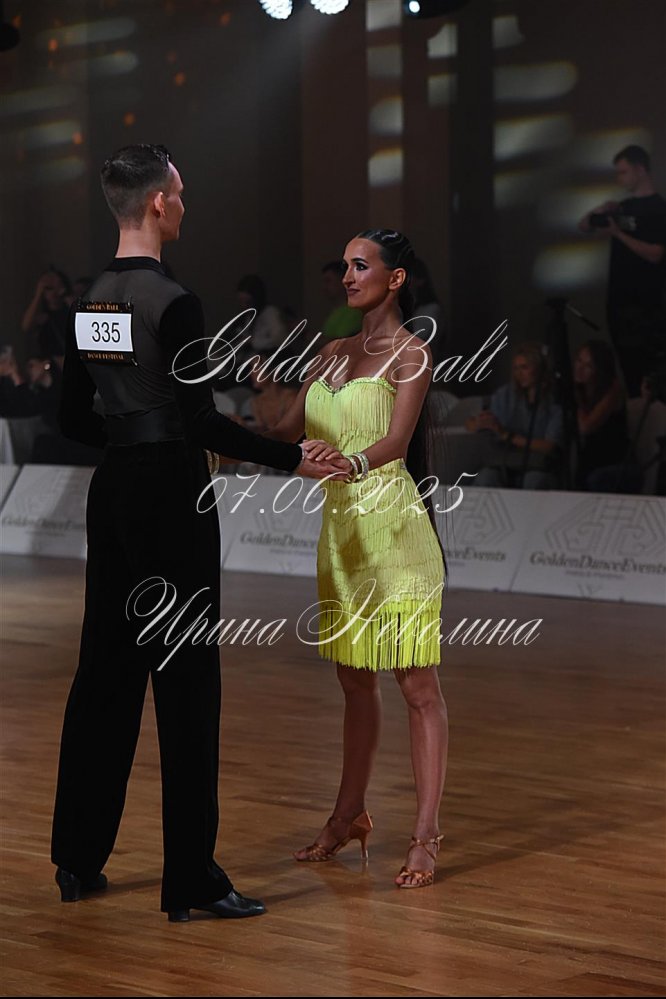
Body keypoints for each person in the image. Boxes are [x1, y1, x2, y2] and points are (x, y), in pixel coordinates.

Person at [50, 143, 346, 922]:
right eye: (179, 192)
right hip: (170, 492)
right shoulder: (174, 301)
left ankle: (77, 855)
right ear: (157, 203)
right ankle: (191, 880)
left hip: (114, 488)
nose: (184, 203)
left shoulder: (92, 299)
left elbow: (71, 416)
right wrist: (293, 457)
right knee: (186, 682)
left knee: (105, 670)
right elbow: (203, 421)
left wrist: (128, 436)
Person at [264, 228, 449, 889]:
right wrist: (262, 390)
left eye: (361, 265)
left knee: (417, 687)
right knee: (353, 683)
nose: (347, 275)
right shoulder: (330, 351)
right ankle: (348, 815)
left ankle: (426, 835)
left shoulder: (411, 353)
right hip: (340, 538)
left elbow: (396, 442)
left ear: (395, 279)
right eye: (344, 265)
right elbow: (284, 432)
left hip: (395, 535)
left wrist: (346, 463)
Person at [578, 145, 666, 396]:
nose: (620, 179)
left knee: (651, 376)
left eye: (623, 172)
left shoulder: (658, 208)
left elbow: (656, 253)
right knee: (629, 371)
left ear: (640, 170)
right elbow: (584, 226)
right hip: (619, 304)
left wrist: (618, 234)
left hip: (647, 307)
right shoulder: (623, 207)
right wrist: (600, 211)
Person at [465, 342, 564, 489]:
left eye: (524, 367)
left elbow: (550, 446)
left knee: (533, 481)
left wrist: (507, 436)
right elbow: (472, 422)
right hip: (505, 462)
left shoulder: (553, 402)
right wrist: (480, 422)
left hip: (538, 465)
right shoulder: (504, 395)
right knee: (486, 477)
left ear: (539, 369)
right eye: (516, 368)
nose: (519, 374)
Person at [573, 339, 633, 491]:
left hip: (613, 461)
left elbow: (586, 427)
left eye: (588, 366)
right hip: (589, 459)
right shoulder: (580, 388)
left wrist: (577, 398)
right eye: (579, 361)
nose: (580, 368)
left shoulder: (612, 389)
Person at [21, 268, 72, 365]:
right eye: (49, 288)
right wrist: (39, 293)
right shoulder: (42, 315)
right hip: (47, 362)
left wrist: (64, 293)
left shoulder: (69, 308)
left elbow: (80, 317)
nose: (53, 292)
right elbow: (26, 326)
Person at [320, 260, 362, 339]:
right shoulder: (335, 312)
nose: (324, 287)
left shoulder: (355, 312)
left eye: (328, 281)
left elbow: (340, 342)